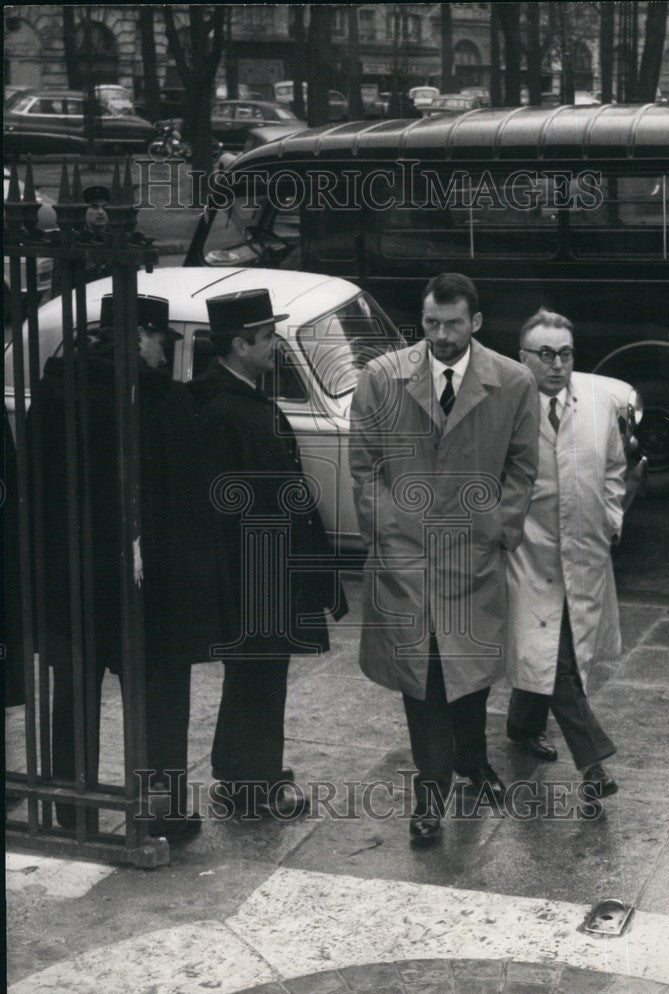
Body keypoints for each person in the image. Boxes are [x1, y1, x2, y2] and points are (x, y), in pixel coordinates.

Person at [350, 273, 539, 844]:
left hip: (473, 556)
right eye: (431, 322)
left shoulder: (513, 381)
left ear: (475, 322)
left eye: (453, 323)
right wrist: (389, 530)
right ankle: (430, 794)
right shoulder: (383, 378)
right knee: (425, 679)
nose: (440, 335)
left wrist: (496, 529)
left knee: (469, 671)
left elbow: (523, 467)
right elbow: (364, 467)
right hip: (407, 560)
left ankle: (473, 762)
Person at [37, 294, 221, 842]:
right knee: (160, 696)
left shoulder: (52, 391)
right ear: (140, 337)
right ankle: (161, 809)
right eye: (161, 342)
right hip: (146, 581)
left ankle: (74, 804)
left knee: (74, 692)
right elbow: (186, 503)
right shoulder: (161, 401)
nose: (164, 355)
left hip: (71, 577)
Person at [190, 289, 346, 817]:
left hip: (267, 564)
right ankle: (251, 785)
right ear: (239, 345)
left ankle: (246, 771)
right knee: (256, 672)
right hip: (252, 568)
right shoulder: (221, 409)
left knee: (261, 672)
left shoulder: (242, 399)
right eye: (267, 336)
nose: (276, 344)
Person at [505, 308, 624, 800]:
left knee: (552, 649)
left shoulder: (597, 403)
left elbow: (615, 467)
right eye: (546, 354)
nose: (557, 364)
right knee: (556, 658)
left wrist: (612, 518)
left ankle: (521, 725)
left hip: (584, 552)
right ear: (523, 357)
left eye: (566, 353)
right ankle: (593, 762)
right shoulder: (507, 408)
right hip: (528, 556)